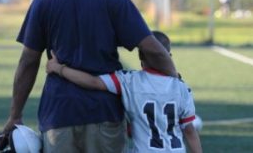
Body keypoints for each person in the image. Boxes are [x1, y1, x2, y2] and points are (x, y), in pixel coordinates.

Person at [0, 0, 177, 153]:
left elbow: (28, 61)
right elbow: (154, 50)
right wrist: (174, 78)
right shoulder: (116, 1)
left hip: (58, 115)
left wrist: (15, 115)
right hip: (104, 114)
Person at [46, 31, 202, 153]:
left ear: (140, 55)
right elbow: (189, 131)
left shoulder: (129, 80)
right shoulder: (182, 87)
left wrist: (59, 68)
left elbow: (92, 82)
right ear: (169, 57)